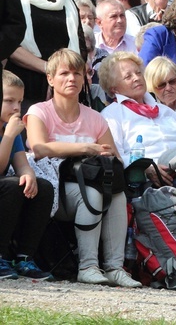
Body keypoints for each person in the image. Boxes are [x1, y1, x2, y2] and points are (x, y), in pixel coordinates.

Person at [25, 49, 141, 288]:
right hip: (53, 189)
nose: (72, 78)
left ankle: (115, 268)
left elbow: (113, 156)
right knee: (93, 192)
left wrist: (99, 152)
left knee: (117, 193)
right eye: (64, 73)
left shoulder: (95, 118)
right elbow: (39, 148)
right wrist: (85, 148)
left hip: (90, 181)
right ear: (50, 79)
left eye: (78, 73)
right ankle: (87, 266)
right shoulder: (39, 111)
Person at [8, 0, 85, 111]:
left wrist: (63, 76)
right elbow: (8, 43)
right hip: (24, 87)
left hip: (65, 87)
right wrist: (48, 69)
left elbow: (80, 45)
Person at [0, 71, 53, 280]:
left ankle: (23, 258)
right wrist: (9, 136)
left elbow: (21, 163)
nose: (16, 107)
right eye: (8, 100)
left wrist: (29, 175)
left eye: (19, 101)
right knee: (12, 187)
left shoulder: (10, 129)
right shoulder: (10, 131)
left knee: (43, 187)